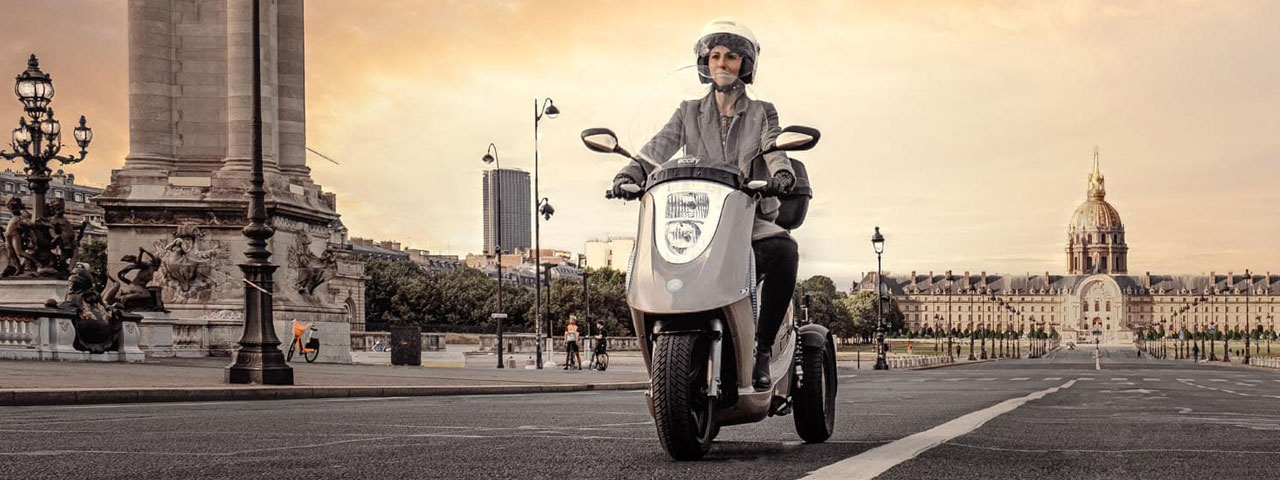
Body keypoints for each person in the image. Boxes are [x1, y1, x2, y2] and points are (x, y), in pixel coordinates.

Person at [609, 19, 798, 391]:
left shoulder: (762, 112)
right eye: (715, 57)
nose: (722, 64)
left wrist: (782, 175)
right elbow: (655, 149)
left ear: (745, 65)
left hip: (745, 216)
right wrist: (627, 175)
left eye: (731, 57)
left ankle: (760, 349)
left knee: (784, 250)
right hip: (695, 218)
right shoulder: (687, 111)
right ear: (705, 64)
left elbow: (774, 147)